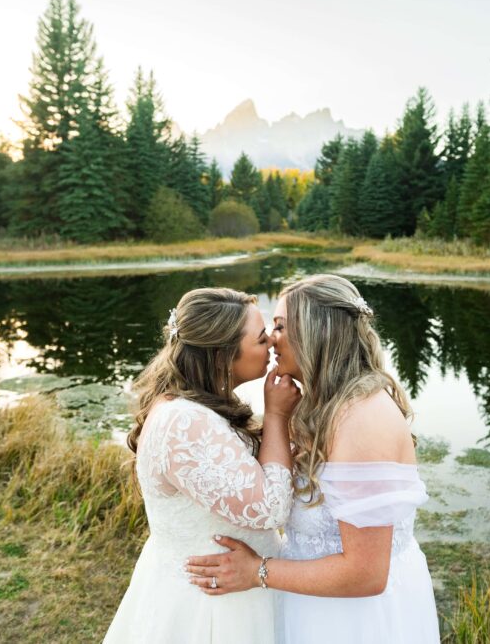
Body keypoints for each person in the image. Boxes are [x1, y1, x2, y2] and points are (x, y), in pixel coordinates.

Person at [185, 275, 440, 644]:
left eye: (280, 326)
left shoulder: (362, 418)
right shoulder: (323, 407)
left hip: (356, 623)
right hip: (316, 607)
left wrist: (257, 571)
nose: (271, 338)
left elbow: (366, 573)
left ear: (314, 332)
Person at [103, 287, 302, 644]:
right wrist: (276, 415)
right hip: (211, 612)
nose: (272, 342)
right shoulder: (183, 422)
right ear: (223, 355)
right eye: (260, 338)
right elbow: (269, 508)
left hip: (238, 590)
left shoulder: (200, 407)